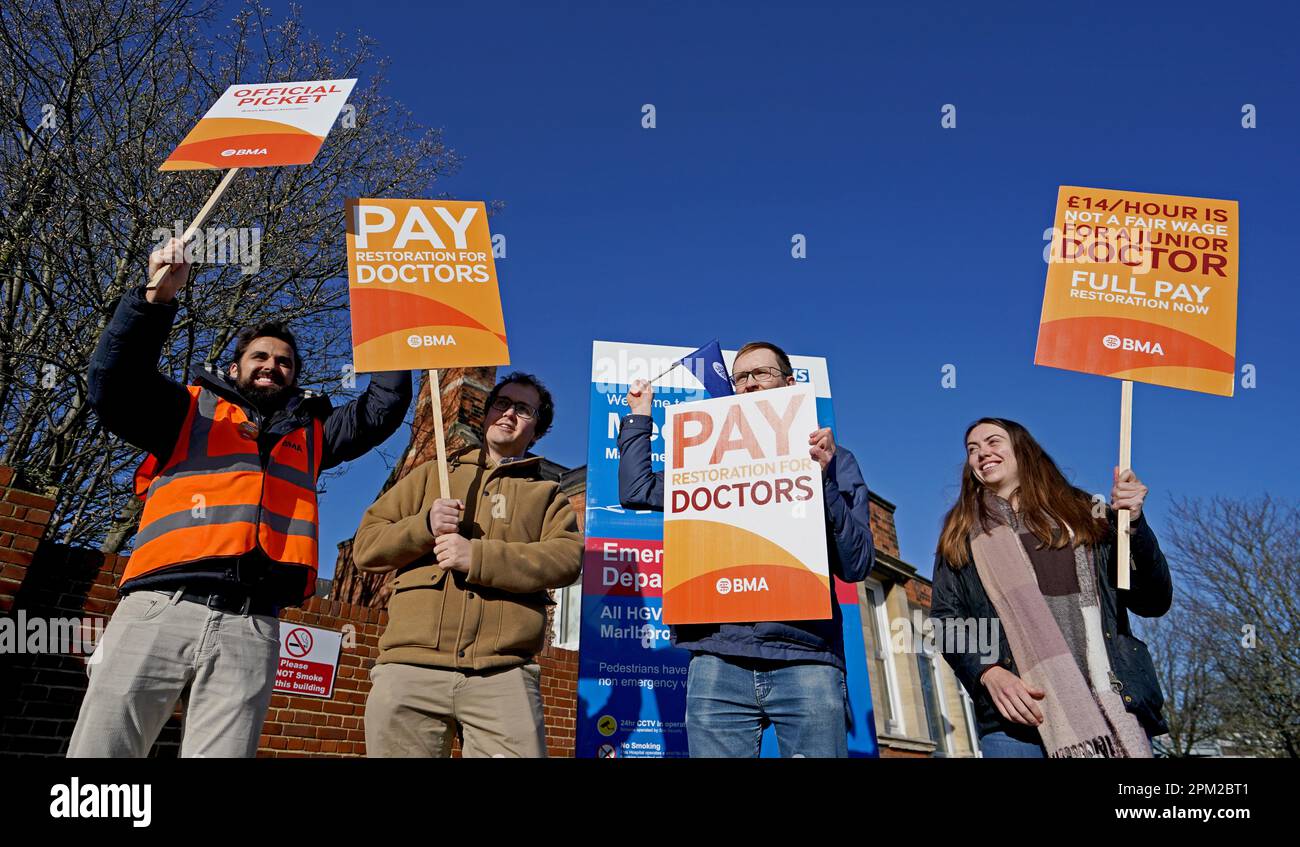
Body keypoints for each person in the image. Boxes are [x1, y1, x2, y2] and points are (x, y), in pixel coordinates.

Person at [68, 237, 412, 757]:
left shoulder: (314, 434)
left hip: (254, 623)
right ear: (234, 368)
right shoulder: (187, 410)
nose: (272, 365)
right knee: (103, 753)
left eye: (285, 361)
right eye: (260, 356)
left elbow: (380, 410)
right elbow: (114, 383)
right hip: (160, 607)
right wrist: (153, 300)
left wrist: (391, 333)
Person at [618, 341, 873, 758]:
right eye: (741, 377)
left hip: (806, 655)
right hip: (718, 657)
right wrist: (639, 415)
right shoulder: (705, 460)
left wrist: (823, 479)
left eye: (761, 374)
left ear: (790, 383)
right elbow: (636, 489)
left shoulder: (834, 460)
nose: (750, 384)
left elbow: (857, 564)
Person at [354, 372, 583, 758]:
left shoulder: (547, 495)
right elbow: (366, 547)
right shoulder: (431, 474)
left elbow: (566, 559)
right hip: (412, 668)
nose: (509, 413)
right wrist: (423, 526)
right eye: (502, 403)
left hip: (503, 673)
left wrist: (477, 557)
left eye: (524, 409)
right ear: (487, 412)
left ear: (537, 429)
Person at [929, 417, 1171, 758]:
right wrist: (987, 670)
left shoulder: (1088, 513)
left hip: (1110, 702)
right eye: (972, 449)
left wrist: (1134, 525)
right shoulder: (961, 534)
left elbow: (1153, 600)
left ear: (1022, 449)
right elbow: (945, 619)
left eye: (993, 441)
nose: (982, 452)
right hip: (1015, 718)